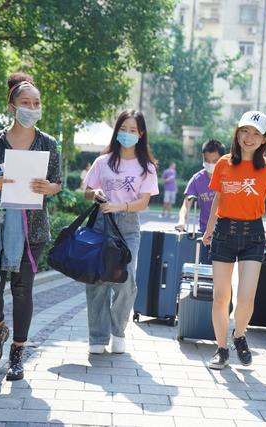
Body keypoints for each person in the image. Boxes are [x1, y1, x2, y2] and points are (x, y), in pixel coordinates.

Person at [0, 72, 61, 381]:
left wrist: (50, 188)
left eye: (36, 103)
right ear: (11, 106)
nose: (32, 107)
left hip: (32, 228)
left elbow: (58, 183)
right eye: (25, 102)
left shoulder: (48, 144)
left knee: (22, 291)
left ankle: (17, 354)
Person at [202, 111, 266, 369]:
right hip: (224, 231)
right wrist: (209, 230)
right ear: (237, 133)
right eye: (245, 131)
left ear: (264, 139)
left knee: (246, 297)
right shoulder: (223, 163)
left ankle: (239, 335)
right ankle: (221, 349)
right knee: (221, 296)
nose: (249, 137)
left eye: (256, 133)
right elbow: (217, 201)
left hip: (253, 234)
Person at [83, 110, 159, 354]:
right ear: (117, 131)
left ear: (141, 134)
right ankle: (97, 337)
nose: (127, 134)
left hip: (127, 227)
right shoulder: (103, 162)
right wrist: (95, 194)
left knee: (126, 279)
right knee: (97, 280)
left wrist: (122, 206)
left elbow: (144, 202)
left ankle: (118, 331)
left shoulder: (146, 167)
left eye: (133, 130)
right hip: (100, 225)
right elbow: (87, 191)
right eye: (123, 129)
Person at [175, 139, 226, 263]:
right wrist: (182, 221)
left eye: (214, 161)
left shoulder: (229, 178)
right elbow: (187, 204)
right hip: (205, 234)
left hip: (226, 234)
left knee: (223, 276)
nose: (210, 164)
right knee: (204, 270)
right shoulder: (197, 179)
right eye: (207, 161)